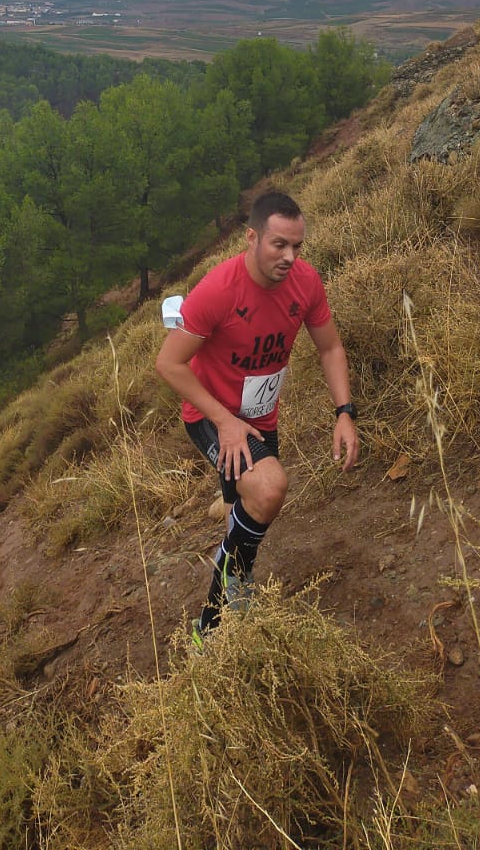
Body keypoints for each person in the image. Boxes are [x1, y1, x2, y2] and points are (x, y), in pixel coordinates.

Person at [155, 189, 359, 639]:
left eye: (297, 246)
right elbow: (169, 364)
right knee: (269, 489)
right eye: (279, 245)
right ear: (252, 238)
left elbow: (330, 347)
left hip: (260, 415)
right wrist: (224, 422)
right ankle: (210, 626)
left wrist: (344, 412)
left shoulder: (306, 282)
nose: (290, 257)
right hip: (211, 415)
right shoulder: (217, 291)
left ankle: (228, 508)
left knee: (245, 501)